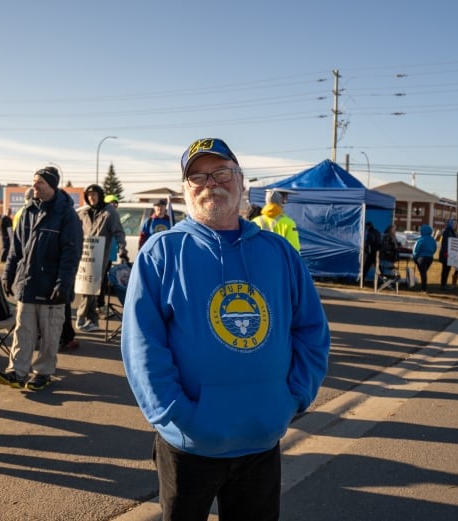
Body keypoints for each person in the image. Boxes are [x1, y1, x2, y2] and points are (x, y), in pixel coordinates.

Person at [121, 137, 331, 521]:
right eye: (197, 177)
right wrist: (177, 414)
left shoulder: (279, 253)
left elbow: (311, 331)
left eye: (221, 173)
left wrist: (292, 398)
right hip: (189, 444)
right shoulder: (162, 252)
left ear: (241, 180)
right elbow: (142, 347)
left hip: (261, 440)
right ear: (186, 190)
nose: (210, 184)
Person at [0, 166, 82, 391]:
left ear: (52, 186)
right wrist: (8, 274)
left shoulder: (66, 215)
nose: (35, 186)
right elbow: (16, 248)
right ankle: (17, 371)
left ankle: (43, 372)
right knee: (23, 330)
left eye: (40, 182)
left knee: (50, 333)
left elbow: (71, 253)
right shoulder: (28, 211)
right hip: (28, 283)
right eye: (34, 181)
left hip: (52, 286)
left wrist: (63, 283)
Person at [75, 185, 129, 333]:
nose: (92, 197)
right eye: (89, 195)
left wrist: (123, 251)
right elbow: (74, 232)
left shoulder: (109, 212)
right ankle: (92, 320)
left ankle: (81, 318)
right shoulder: (84, 213)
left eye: (94, 194)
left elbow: (119, 233)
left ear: (100, 195)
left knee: (91, 290)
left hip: (101, 256)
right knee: (87, 288)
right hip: (84, 257)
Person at [412, 225, 437, 292]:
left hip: (421, 257)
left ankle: (424, 288)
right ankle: (423, 287)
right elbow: (435, 248)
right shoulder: (432, 240)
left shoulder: (421, 239)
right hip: (430, 258)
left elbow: (416, 249)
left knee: (423, 273)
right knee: (424, 272)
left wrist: (414, 257)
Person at [438, 218, 458, 290]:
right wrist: (446, 252)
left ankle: (444, 284)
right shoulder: (448, 231)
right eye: (454, 224)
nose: (455, 225)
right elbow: (446, 243)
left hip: (450, 254)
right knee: (445, 270)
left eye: (456, 224)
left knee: (447, 269)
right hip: (446, 254)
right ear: (451, 224)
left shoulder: (452, 232)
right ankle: (443, 285)